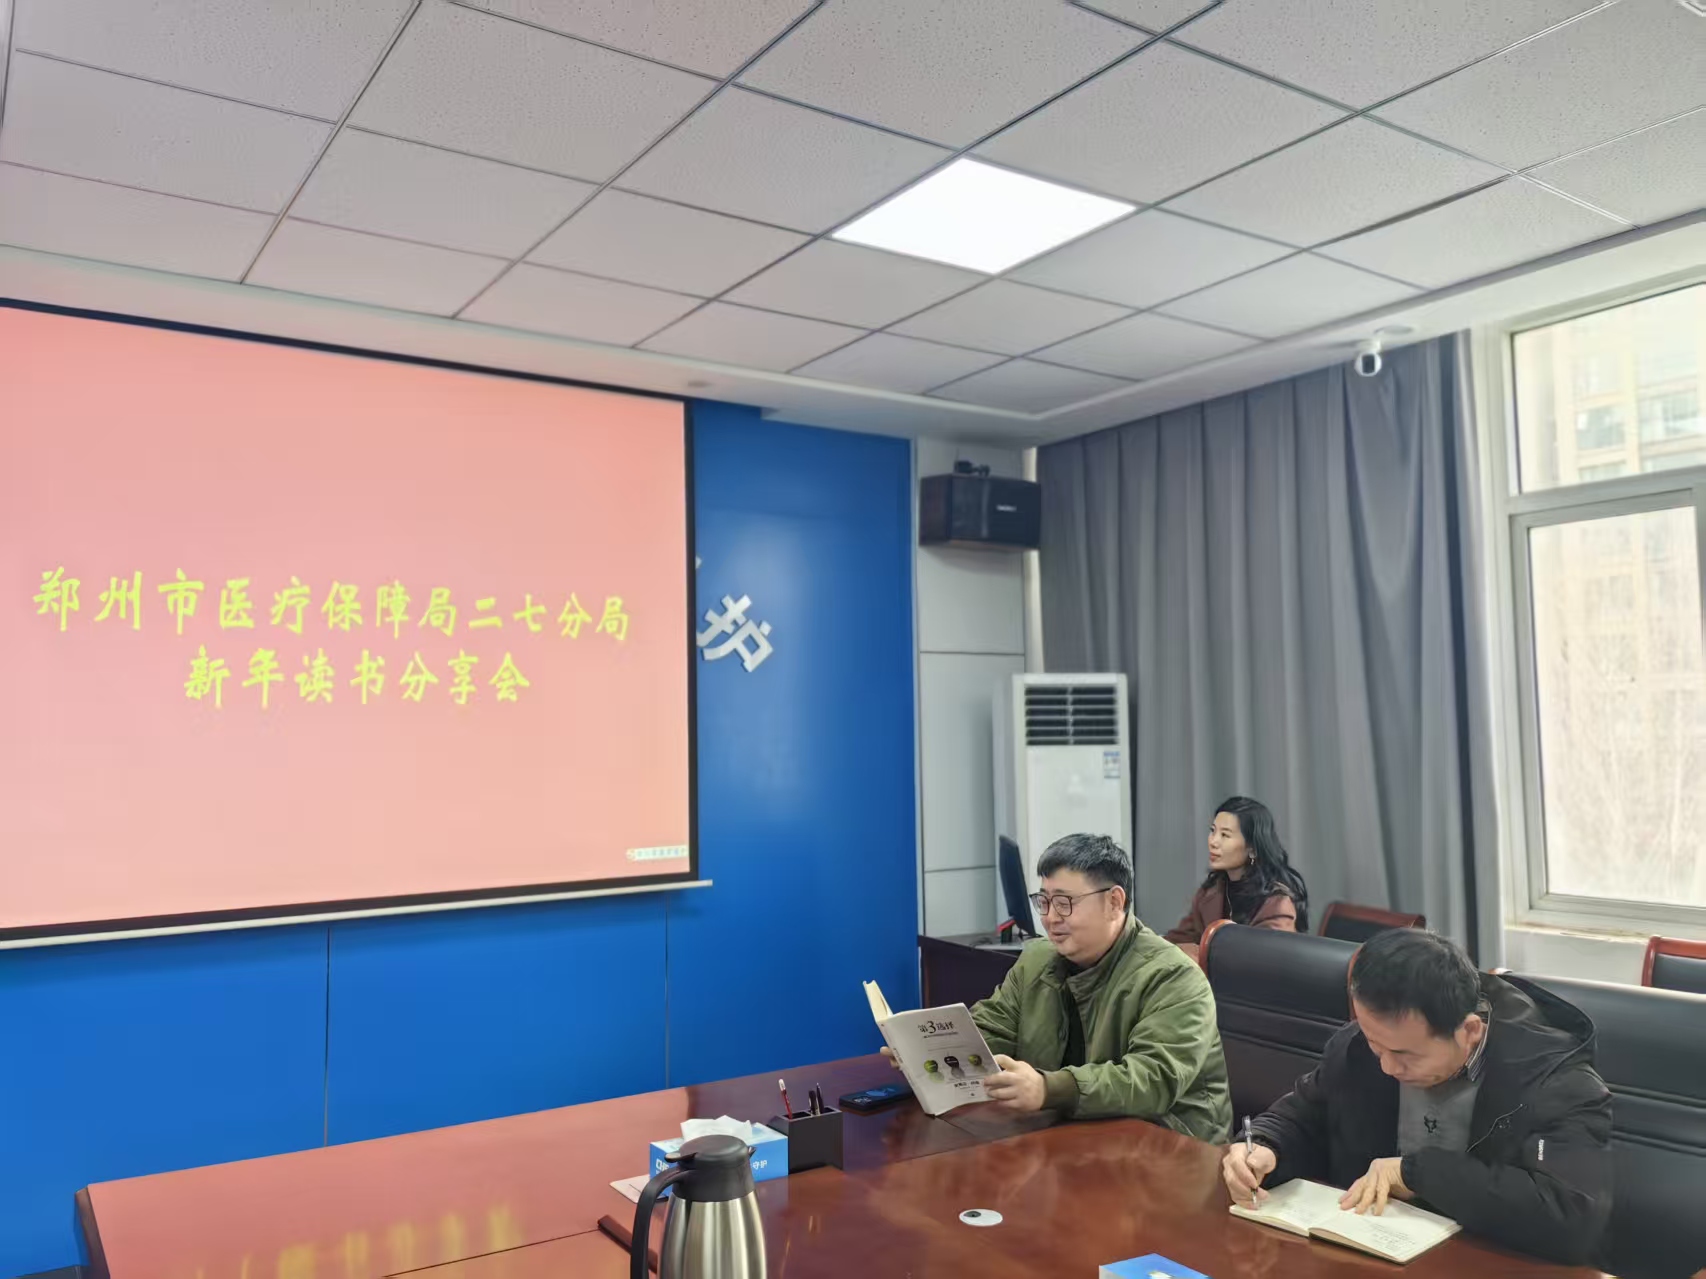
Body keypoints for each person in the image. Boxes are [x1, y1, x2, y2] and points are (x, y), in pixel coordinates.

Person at [1222, 928, 1612, 1266]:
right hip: (1369, 1255)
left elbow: (1571, 1217)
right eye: (1375, 1044)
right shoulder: (1361, 1048)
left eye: (1406, 1055)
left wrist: (1416, 1174)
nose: (1387, 1066)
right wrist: (1266, 1146)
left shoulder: (1554, 1081)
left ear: (1469, 1031)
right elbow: (1305, 1113)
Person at [920, 833, 1232, 1142]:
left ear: (1114, 902)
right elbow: (992, 1029)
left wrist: (1048, 1089)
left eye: (1064, 903)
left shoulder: (1173, 977)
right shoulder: (1036, 961)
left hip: (1172, 1147)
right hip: (1077, 1135)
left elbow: (1151, 1080)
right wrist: (926, 1047)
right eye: (1044, 902)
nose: (1050, 918)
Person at [1166, 796, 1309, 959]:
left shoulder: (1277, 904)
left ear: (1252, 848)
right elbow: (1179, 939)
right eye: (1213, 831)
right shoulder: (1211, 891)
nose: (1213, 842)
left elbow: (1266, 962)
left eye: (1225, 835)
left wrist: (1198, 954)